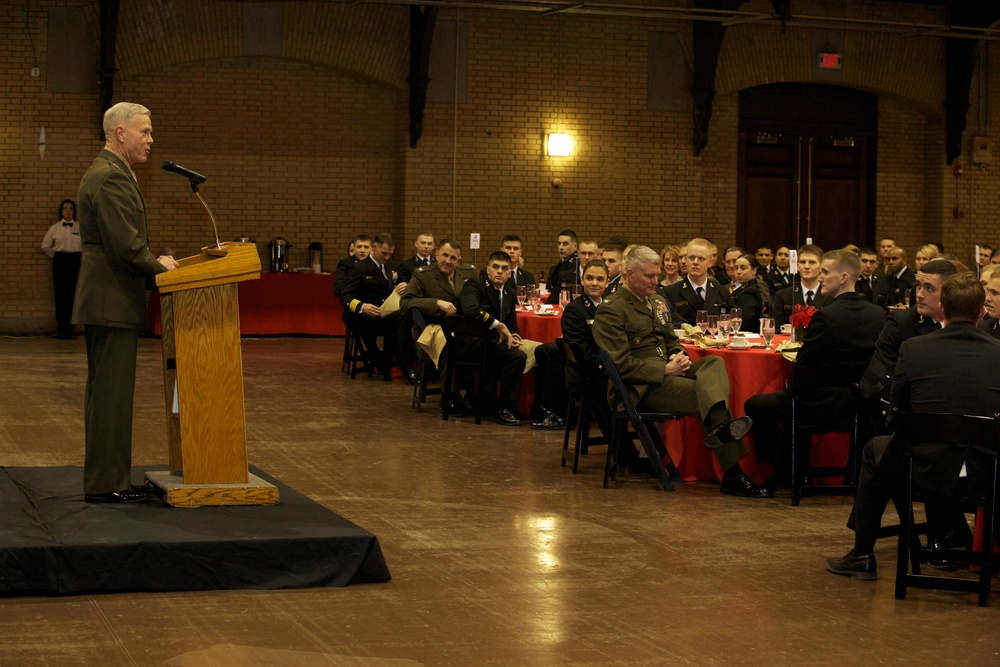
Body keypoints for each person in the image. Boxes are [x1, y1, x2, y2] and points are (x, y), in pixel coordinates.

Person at [826, 273, 1000, 581]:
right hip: (987, 474)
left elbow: (897, 413)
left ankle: (863, 554)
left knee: (874, 451)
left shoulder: (914, 349)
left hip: (924, 471)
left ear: (942, 309)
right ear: (981, 312)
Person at [592, 245, 769, 498]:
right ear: (630, 274)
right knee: (704, 394)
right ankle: (733, 474)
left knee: (714, 363)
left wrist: (679, 357)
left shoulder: (658, 301)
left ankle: (720, 429)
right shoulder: (613, 308)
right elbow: (619, 364)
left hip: (668, 372)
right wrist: (664, 368)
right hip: (639, 387)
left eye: (657, 275)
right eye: (649, 276)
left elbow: (670, 340)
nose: (656, 281)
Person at [73, 102, 179, 503]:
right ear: (120, 133)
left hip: (109, 296)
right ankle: (106, 483)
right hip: (110, 297)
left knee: (107, 395)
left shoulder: (112, 172)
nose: (151, 140)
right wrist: (161, 269)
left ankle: (108, 478)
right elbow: (126, 247)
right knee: (111, 397)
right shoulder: (110, 176)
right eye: (145, 132)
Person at [744, 250, 885, 482]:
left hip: (824, 404)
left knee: (757, 404)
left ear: (843, 277)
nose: (820, 277)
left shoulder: (827, 316)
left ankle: (780, 470)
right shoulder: (878, 314)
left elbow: (803, 367)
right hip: (861, 403)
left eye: (825, 272)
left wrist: (791, 387)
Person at [858, 259, 958, 426]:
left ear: (950, 292)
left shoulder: (968, 323)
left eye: (929, 288)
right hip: (909, 418)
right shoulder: (901, 323)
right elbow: (878, 377)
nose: (919, 294)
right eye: (918, 286)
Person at [399, 238, 478, 411]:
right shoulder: (422, 274)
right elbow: (405, 303)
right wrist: (436, 303)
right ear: (437, 254)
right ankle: (450, 396)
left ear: (459, 261)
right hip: (431, 327)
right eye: (444, 255)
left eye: (452, 258)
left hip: (462, 326)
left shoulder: (469, 273)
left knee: (484, 340)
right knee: (447, 342)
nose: (447, 261)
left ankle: (477, 395)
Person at [531, 259, 608, 430]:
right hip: (588, 373)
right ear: (582, 280)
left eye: (600, 279)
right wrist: (607, 367)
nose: (594, 283)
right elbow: (581, 352)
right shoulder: (575, 309)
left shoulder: (610, 307)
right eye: (589, 278)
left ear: (607, 282)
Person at [458, 251, 526, 425]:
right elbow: (471, 310)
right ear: (488, 269)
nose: (499, 271)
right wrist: (500, 326)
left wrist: (514, 337)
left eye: (504, 268)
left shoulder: (509, 292)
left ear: (509, 272)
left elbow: (512, 322)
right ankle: (501, 407)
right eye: (495, 267)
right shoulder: (475, 284)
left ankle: (503, 404)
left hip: (492, 342)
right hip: (471, 342)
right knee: (513, 357)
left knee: (517, 354)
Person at [340, 232, 407, 381]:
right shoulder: (359, 268)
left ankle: (398, 365)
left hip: (386, 313)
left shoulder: (392, 266)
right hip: (364, 315)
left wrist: (405, 287)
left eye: (390, 254)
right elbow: (345, 296)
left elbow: (403, 284)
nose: (386, 257)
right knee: (396, 323)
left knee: (400, 321)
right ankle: (398, 366)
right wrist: (363, 306)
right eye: (384, 253)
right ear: (374, 248)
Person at [659, 238, 734, 324]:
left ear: (710, 262)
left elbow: (731, 321)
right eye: (691, 258)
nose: (695, 262)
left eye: (701, 259)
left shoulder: (722, 292)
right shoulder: (670, 292)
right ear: (686, 260)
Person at [40, 199, 82, 339]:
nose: (68, 210)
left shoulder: (80, 228)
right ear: (61, 211)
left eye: (70, 208)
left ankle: (71, 329)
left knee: (73, 296)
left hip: (75, 262)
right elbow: (45, 246)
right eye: (65, 208)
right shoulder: (55, 228)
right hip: (60, 262)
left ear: (74, 211)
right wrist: (57, 256)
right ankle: (62, 329)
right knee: (60, 295)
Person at [772, 244, 832, 327]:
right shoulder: (783, 296)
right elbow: (777, 329)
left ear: (821, 267)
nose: (806, 266)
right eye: (803, 262)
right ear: (797, 266)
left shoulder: (831, 295)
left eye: (812, 262)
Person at [730, 253, 763, 333]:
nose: (738, 272)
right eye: (736, 268)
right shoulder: (745, 288)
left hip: (746, 336)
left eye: (743, 268)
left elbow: (743, 322)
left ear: (754, 270)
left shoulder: (749, 291)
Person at [545, 229, 580, 304]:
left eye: (565, 244)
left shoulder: (578, 265)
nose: (561, 247)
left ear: (575, 246)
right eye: (559, 243)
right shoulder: (555, 268)